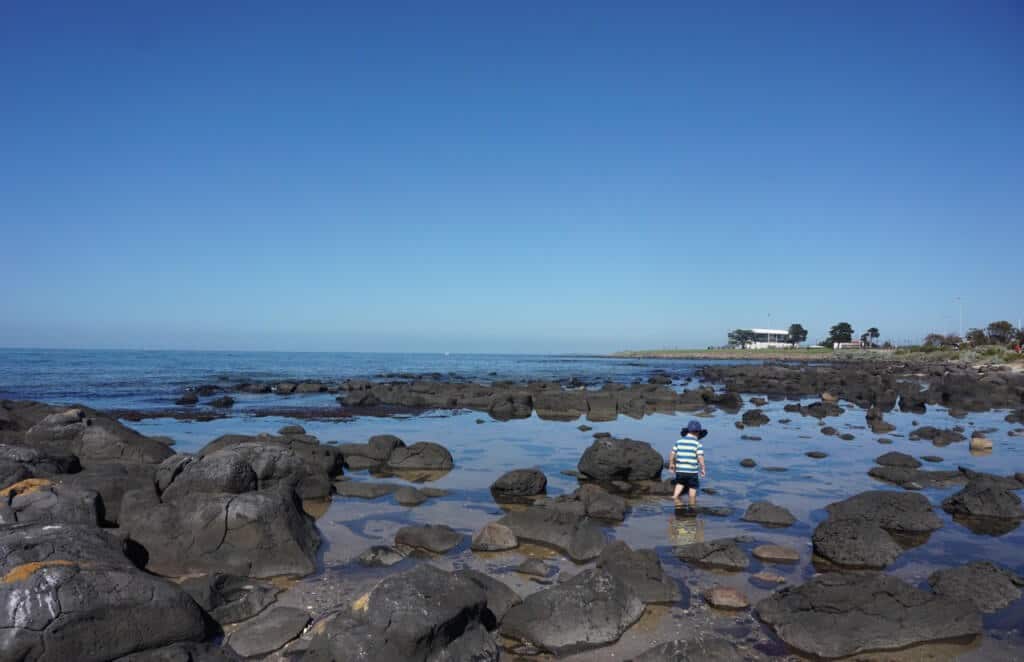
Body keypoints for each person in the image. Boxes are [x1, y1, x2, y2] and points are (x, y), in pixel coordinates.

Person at [669, 420, 707, 508]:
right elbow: (700, 457)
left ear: (687, 431)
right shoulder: (698, 444)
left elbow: (672, 453)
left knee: (680, 483)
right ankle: (692, 502)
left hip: (680, 470)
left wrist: (671, 464)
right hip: (692, 472)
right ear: (698, 433)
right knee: (693, 487)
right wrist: (703, 467)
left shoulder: (679, 442)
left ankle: (674, 497)